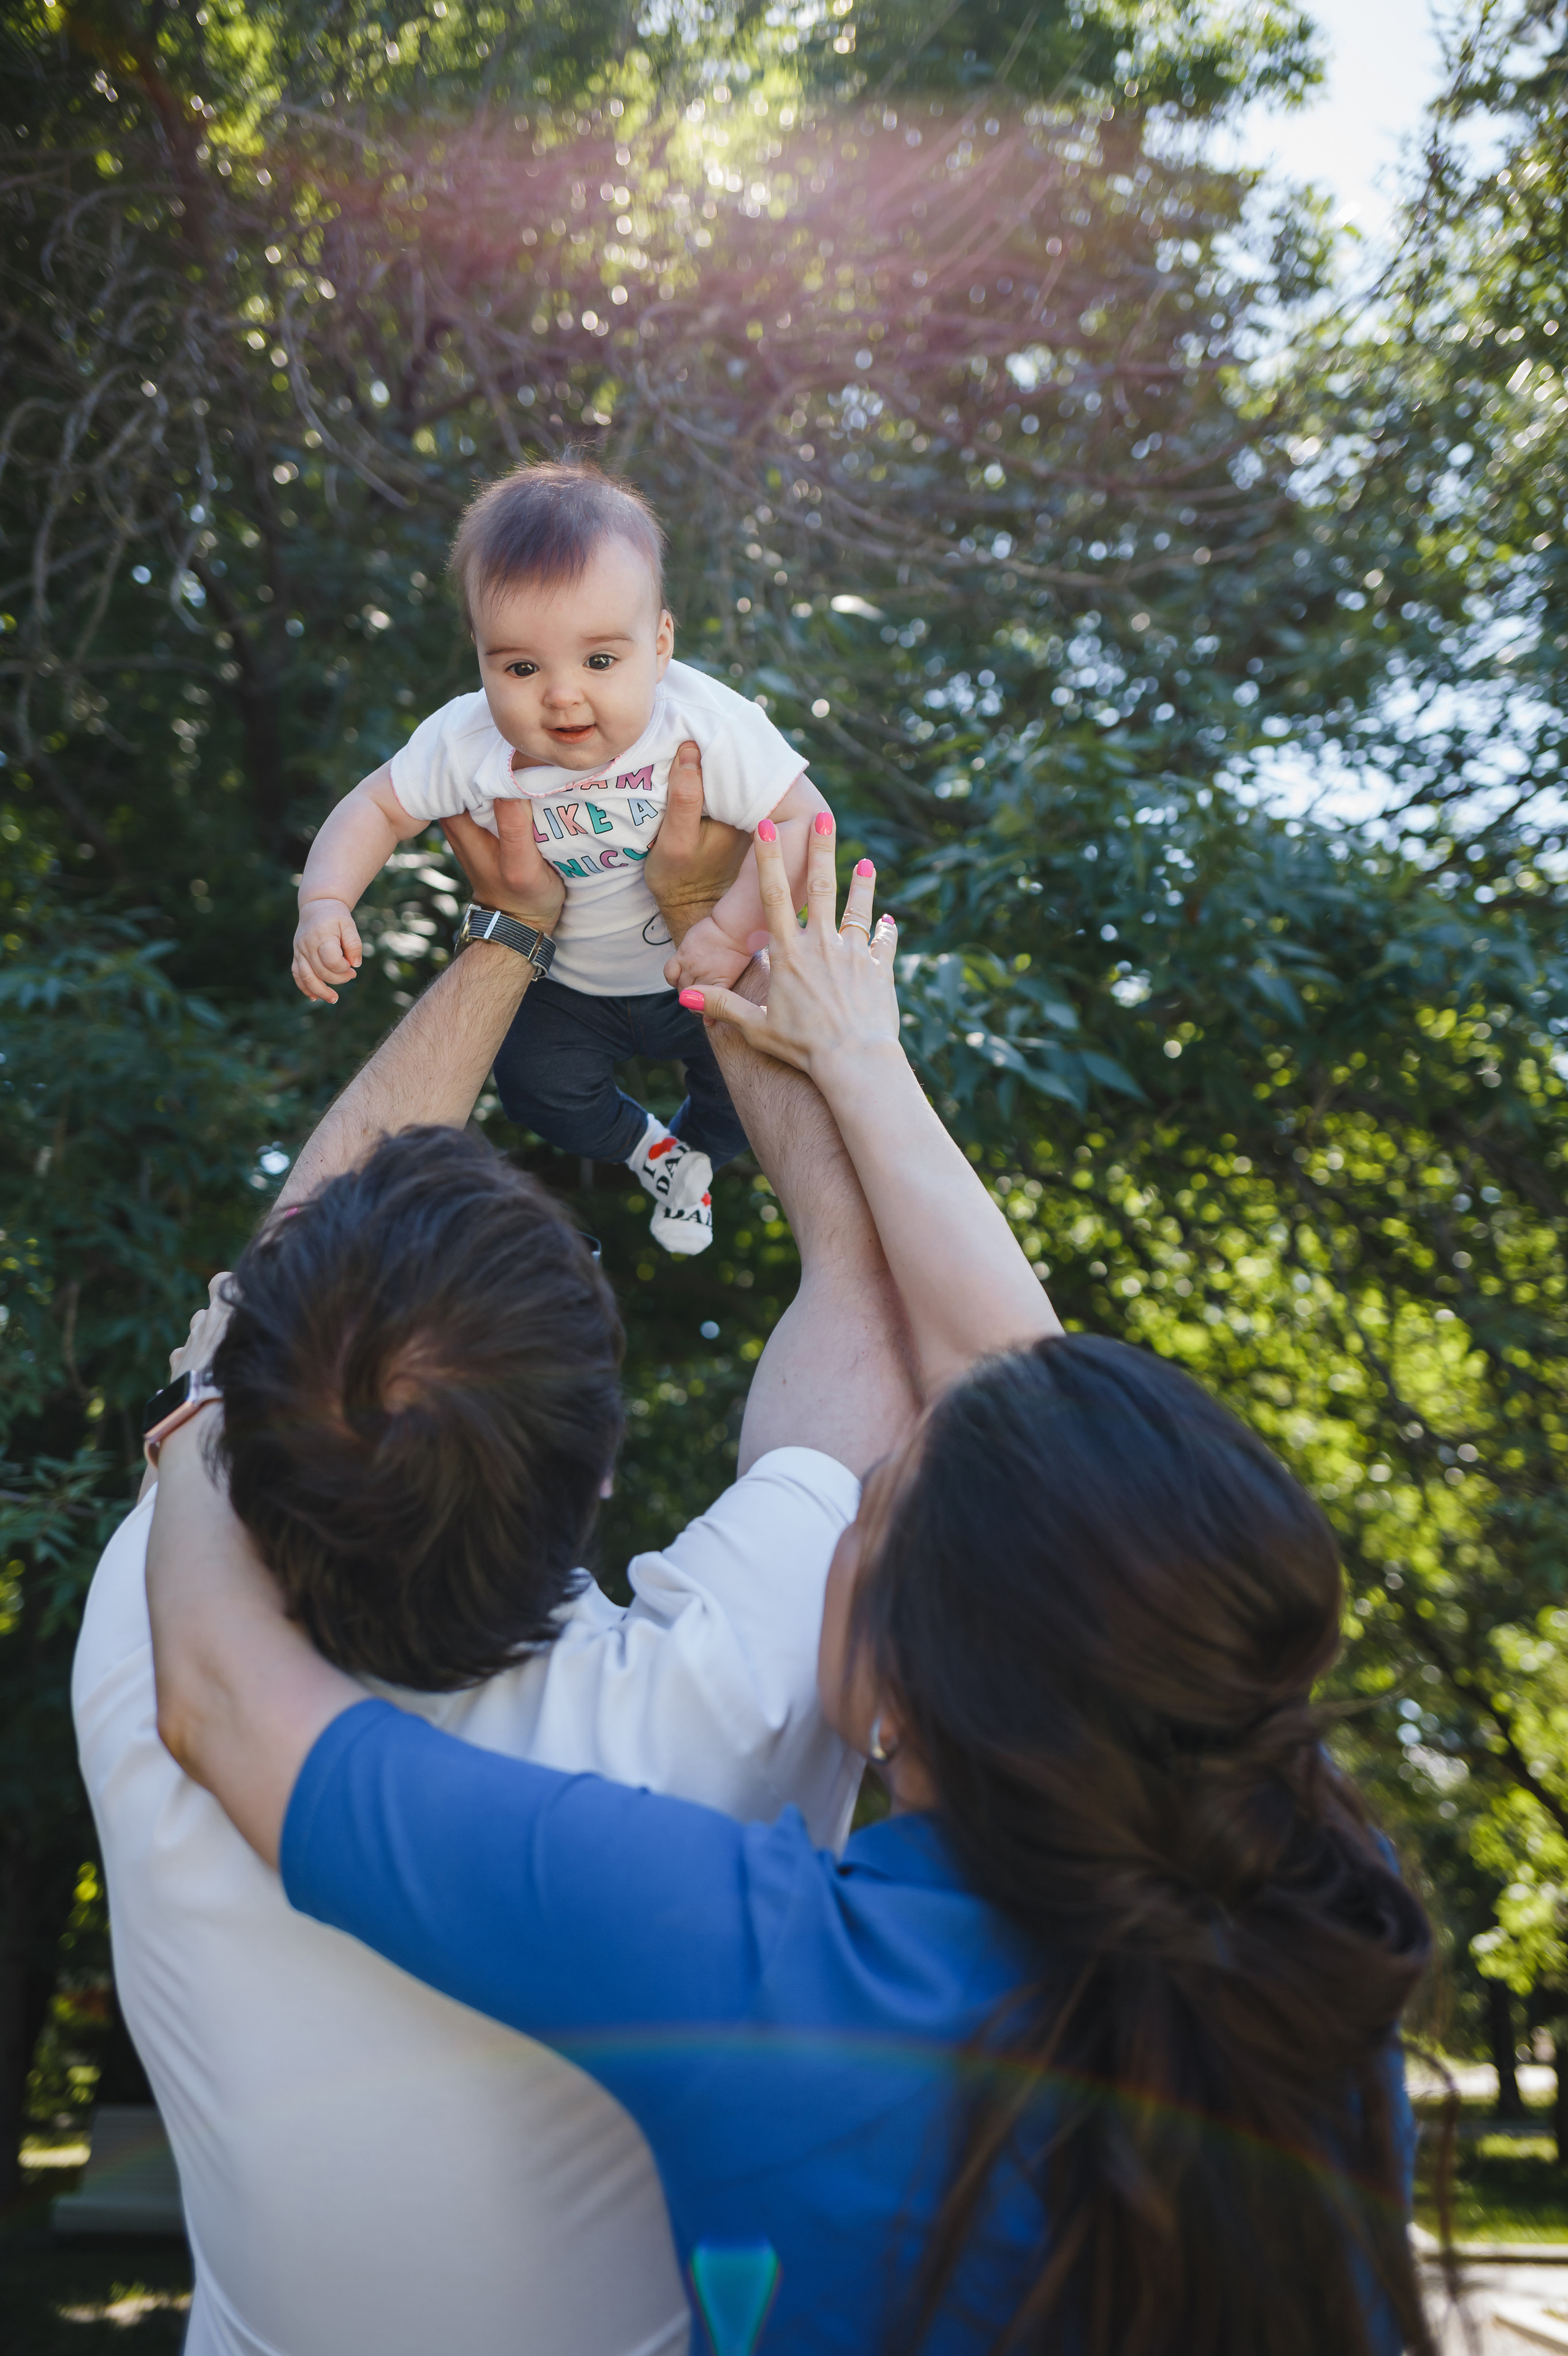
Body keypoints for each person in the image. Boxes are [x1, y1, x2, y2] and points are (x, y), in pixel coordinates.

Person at [147, 819, 1435, 2356]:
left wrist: (220, 1390)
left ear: (892, 1691)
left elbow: (222, 1702)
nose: (874, 1478)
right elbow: (1042, 1449)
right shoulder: (1308, 1907)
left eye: (871, 1510)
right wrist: (846, 1056)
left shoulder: (766, 1971)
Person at [74, 769, 928, 2356]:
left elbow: (274, 1293)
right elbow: (867, 1310)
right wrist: (709, 947)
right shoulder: (718, 1713)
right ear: (598, 1470)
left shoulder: (150, 1637)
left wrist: (512, 933)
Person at [291, 458, 832, 1255]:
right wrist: (326, 901)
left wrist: (727, 932)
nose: (562, 695)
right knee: (534, 1087)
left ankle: (697, 1158)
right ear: (480, 655)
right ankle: (650, 1151)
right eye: (521, 667)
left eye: (600, 661)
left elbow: (804, 819)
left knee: (757, 1082)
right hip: (568, 986)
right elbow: (373, 807)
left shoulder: (700, 723)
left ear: (661, 645)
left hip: (699, 963)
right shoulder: (465, 740)